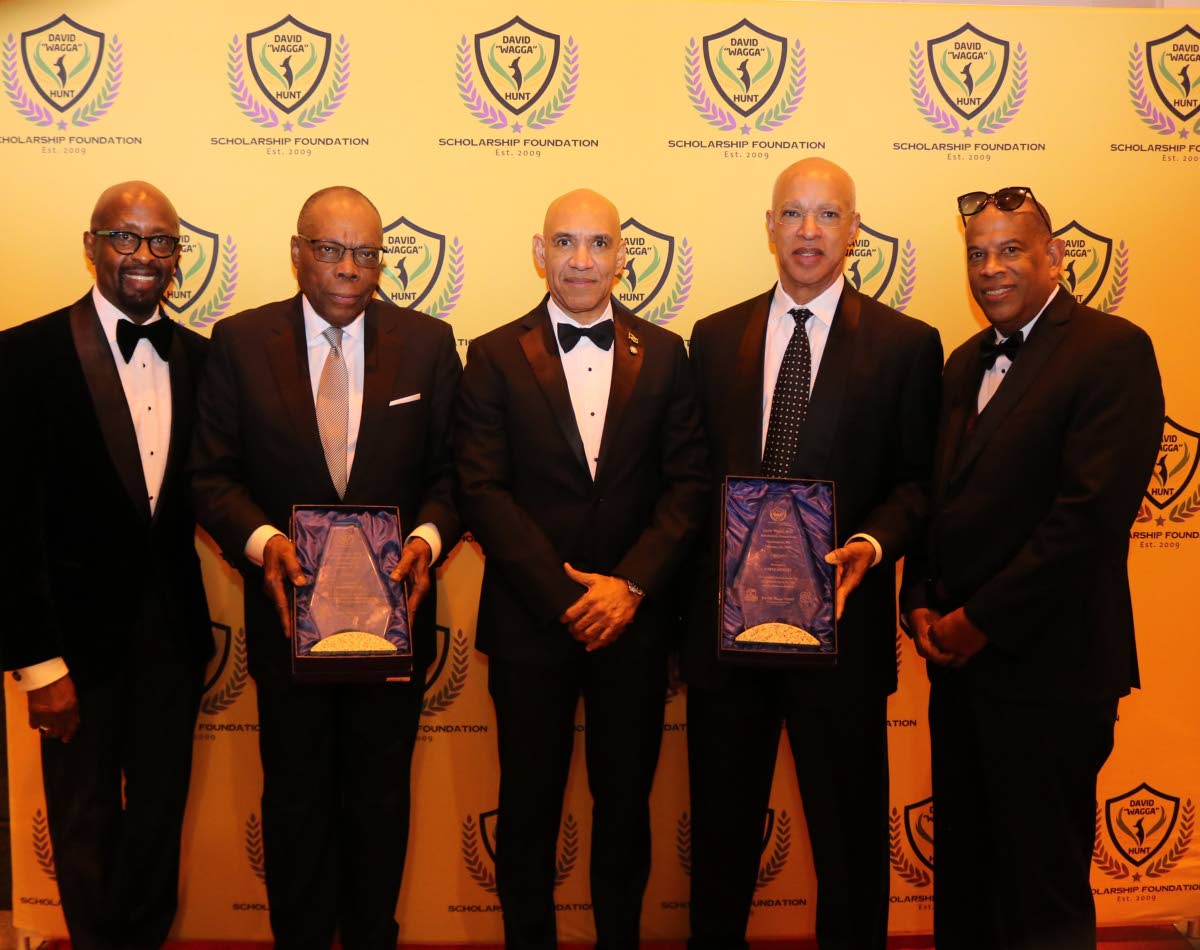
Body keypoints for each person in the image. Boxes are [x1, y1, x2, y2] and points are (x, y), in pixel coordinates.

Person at [190, 185, 461, 948]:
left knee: (380, 801)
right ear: (297, 252)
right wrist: (263, 542)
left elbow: (454, 474)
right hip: (287, 621)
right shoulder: (240, 342)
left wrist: (428, 540)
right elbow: (211, 476)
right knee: (297, 801)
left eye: (366, 253)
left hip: (394, 624)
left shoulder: (428, 343)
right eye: (332, 249)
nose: (349, 268)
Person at [684, 158, 943, 949]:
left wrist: (871, 542)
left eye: (828, 215)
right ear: (769, 227)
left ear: (854, 230)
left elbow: (920, 481)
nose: (808, 231)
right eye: (792, 214)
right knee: (720, 842)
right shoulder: (713, 338)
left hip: (842, 635)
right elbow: (689, 479)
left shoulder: (906, 345)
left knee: (851, 847)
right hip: (729, 642)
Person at [902, 186, 1163, 950]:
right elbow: (938, 498)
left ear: (1055, 256)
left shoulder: (1112, 349)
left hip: (1051, 674)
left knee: (1041, 898)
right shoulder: (962, 363)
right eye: (978, 254)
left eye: (1011, 250)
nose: (991, 268)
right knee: (967, 885)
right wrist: (918, 597)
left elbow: (1087, 521)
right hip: (959, 675)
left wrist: (979, 622)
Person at [455, 188, 708, 948]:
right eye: (565, 242)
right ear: (540, 253)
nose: (581, 260)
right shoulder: (492, 355)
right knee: (527, 809)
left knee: (624, 808)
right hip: (532, 623)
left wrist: (628, 587)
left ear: (622, 256)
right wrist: (568, 596)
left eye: (598, 243)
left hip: (634, 624)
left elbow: (688, 484)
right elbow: (481, 489)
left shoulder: (666, 354)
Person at [0, 181, 213, 948]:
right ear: (91, 246)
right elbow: (8, 523)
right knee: (83, 826)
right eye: (125, 236)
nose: (143, 254)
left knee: (158, 822)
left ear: (177, 256)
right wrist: (37, 664)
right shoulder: (22, 355)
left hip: (174, 641)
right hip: (73, 650)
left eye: (161, 241)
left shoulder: (202, 359)